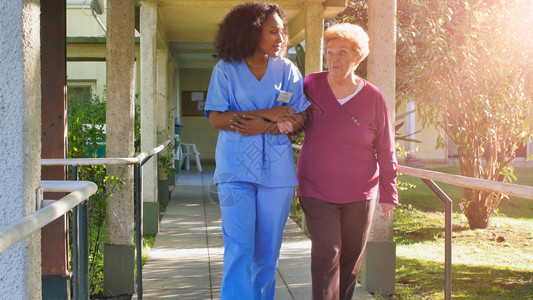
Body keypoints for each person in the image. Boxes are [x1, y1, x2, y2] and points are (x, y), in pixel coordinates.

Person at [204, 2, 310, 299]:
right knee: (240, 247)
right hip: (235, 170)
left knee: (267, 251)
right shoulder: (225, 70)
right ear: (251, 33)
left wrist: (261, 123)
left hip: (276, 173)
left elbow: (298, 117)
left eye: (282, 32)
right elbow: (216, 118)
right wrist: (272, 113)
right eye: (272, 31)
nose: (280, 38)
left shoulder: (287, 69)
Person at [296, 23, 398, 300]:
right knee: (327, 254)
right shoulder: (310, 86)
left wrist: (389, 193)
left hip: (359, 193)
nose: (335, 59)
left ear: (358, 57)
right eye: (330, 52)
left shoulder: (373, 97)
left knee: (350, 261)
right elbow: (291, 119)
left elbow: (386, 149)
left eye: (342, 52)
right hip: (316, 189)